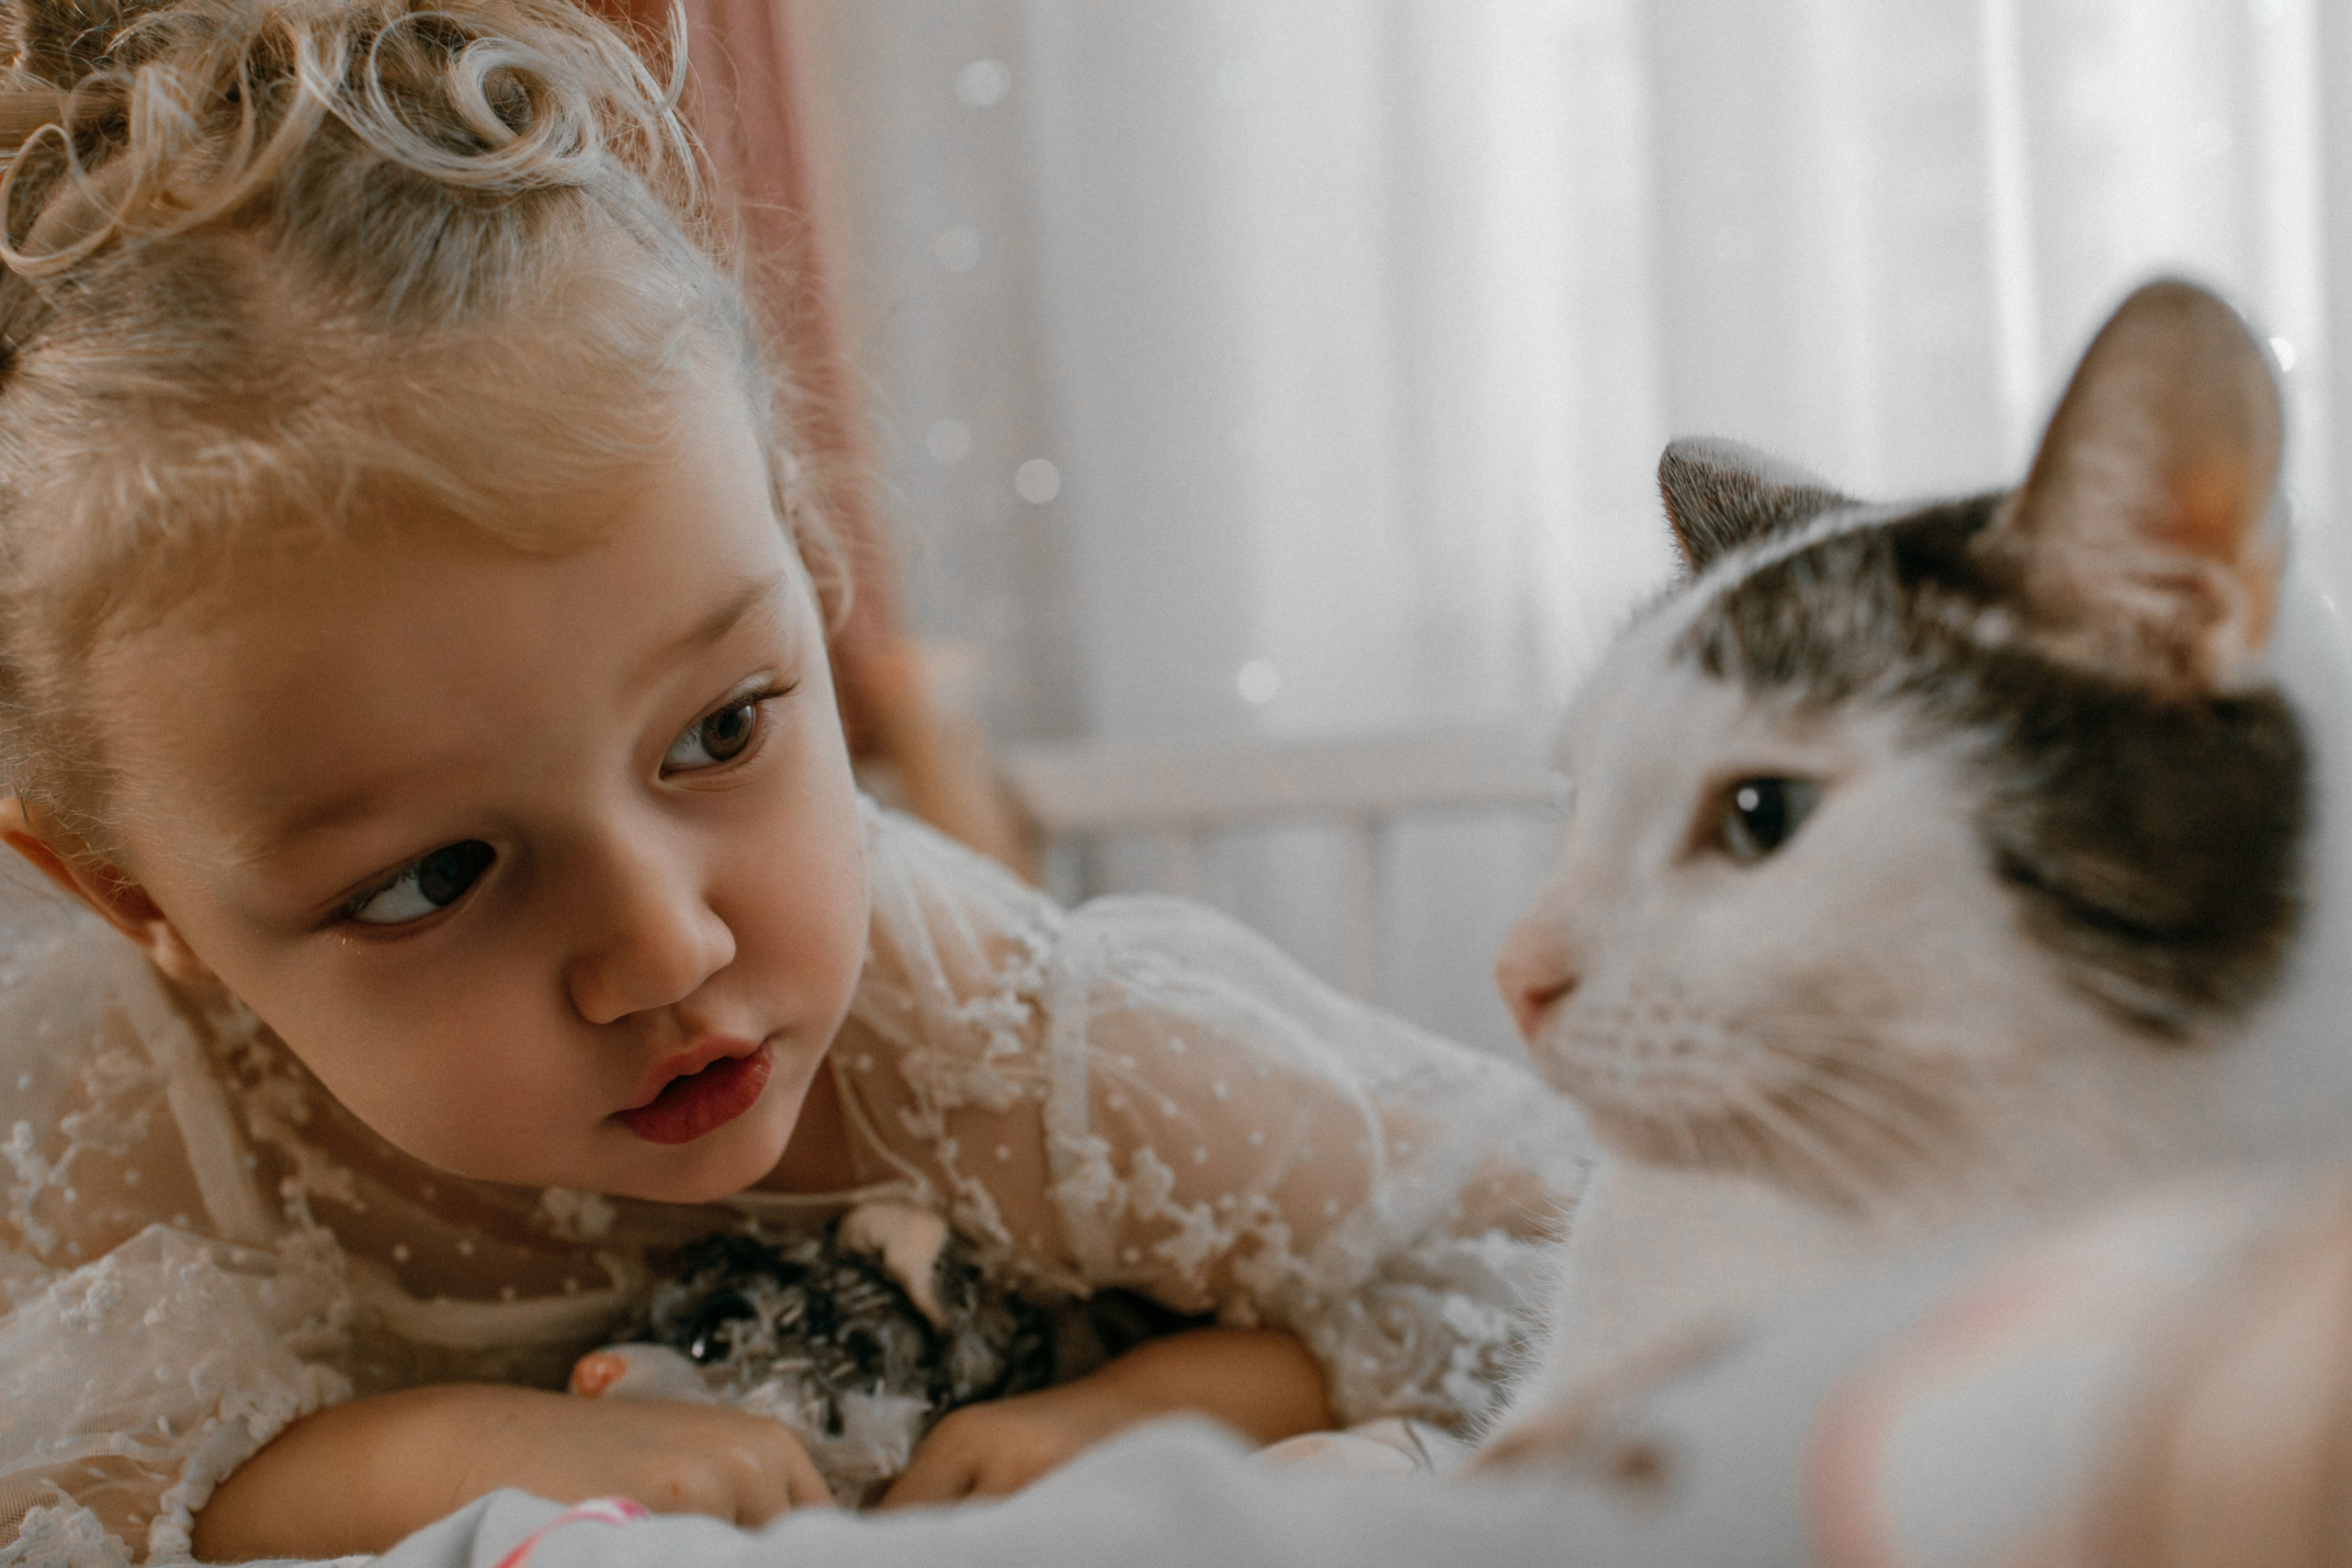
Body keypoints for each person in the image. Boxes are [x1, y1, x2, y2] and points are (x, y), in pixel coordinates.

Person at [0, 0, 1580, 1559]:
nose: (669, 950)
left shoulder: (982, 1032)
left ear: (809, 557)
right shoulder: (111, 1110)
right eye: (434, 880)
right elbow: (52, 1499)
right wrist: (411, 1457)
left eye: (722, 730)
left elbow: (1546, 1248)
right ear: (143, 902)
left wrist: (1170, 1404)